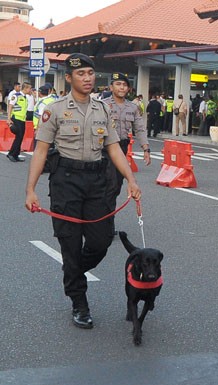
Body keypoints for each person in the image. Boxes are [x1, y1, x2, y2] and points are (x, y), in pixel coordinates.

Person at [24, 53, 142, 329]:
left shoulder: (103, 109)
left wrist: (131, 180)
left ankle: (73, 272)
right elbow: (40, 151)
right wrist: (30, 190)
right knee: (70, 243)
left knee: (100, 242)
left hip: (96, 181)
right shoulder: (54, 110)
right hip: (65, 182)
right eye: (81, 74)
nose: (87, 78)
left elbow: (114, 147)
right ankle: (79, 303)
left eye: (90, 73)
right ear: (69, 78)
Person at [103, 72, 151, 214]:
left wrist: (146, 149)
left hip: (122, 148)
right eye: (118, 84)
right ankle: (105, 224)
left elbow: (140, 129)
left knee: (117, 185)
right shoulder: (102, 106)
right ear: (111, 87)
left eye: (124, 85)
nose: (122, 87)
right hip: (105, 149)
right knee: (108, 185)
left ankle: (107, 220)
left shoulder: (133, 107)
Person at [6, 82, 32, 162]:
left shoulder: (25, 97)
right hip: (16, 119)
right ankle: (11, 154)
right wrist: (9, 118)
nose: (30, 90)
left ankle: (16, 154)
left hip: (22, 120)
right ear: (26, 88)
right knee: (18, 137)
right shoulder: (16, 96)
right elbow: (10, 106)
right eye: (30, 88)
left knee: (20, 138)